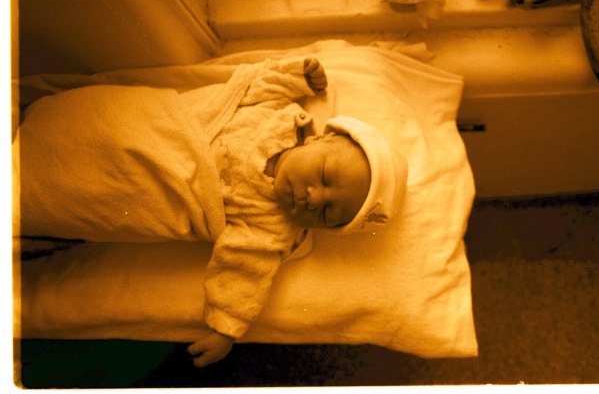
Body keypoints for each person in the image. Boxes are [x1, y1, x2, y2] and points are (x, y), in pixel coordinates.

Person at [16, 56, 408, 368]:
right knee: (79, 122)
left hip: (144, 188)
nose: (313, 197)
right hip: (149, 125)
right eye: (323, 176)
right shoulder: (279, 115)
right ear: (320, 138)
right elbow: (262, 82)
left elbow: (244, 273)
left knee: (57, 190)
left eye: (325, 213)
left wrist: (225, 329)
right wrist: (299, 75)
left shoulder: (270, 227)